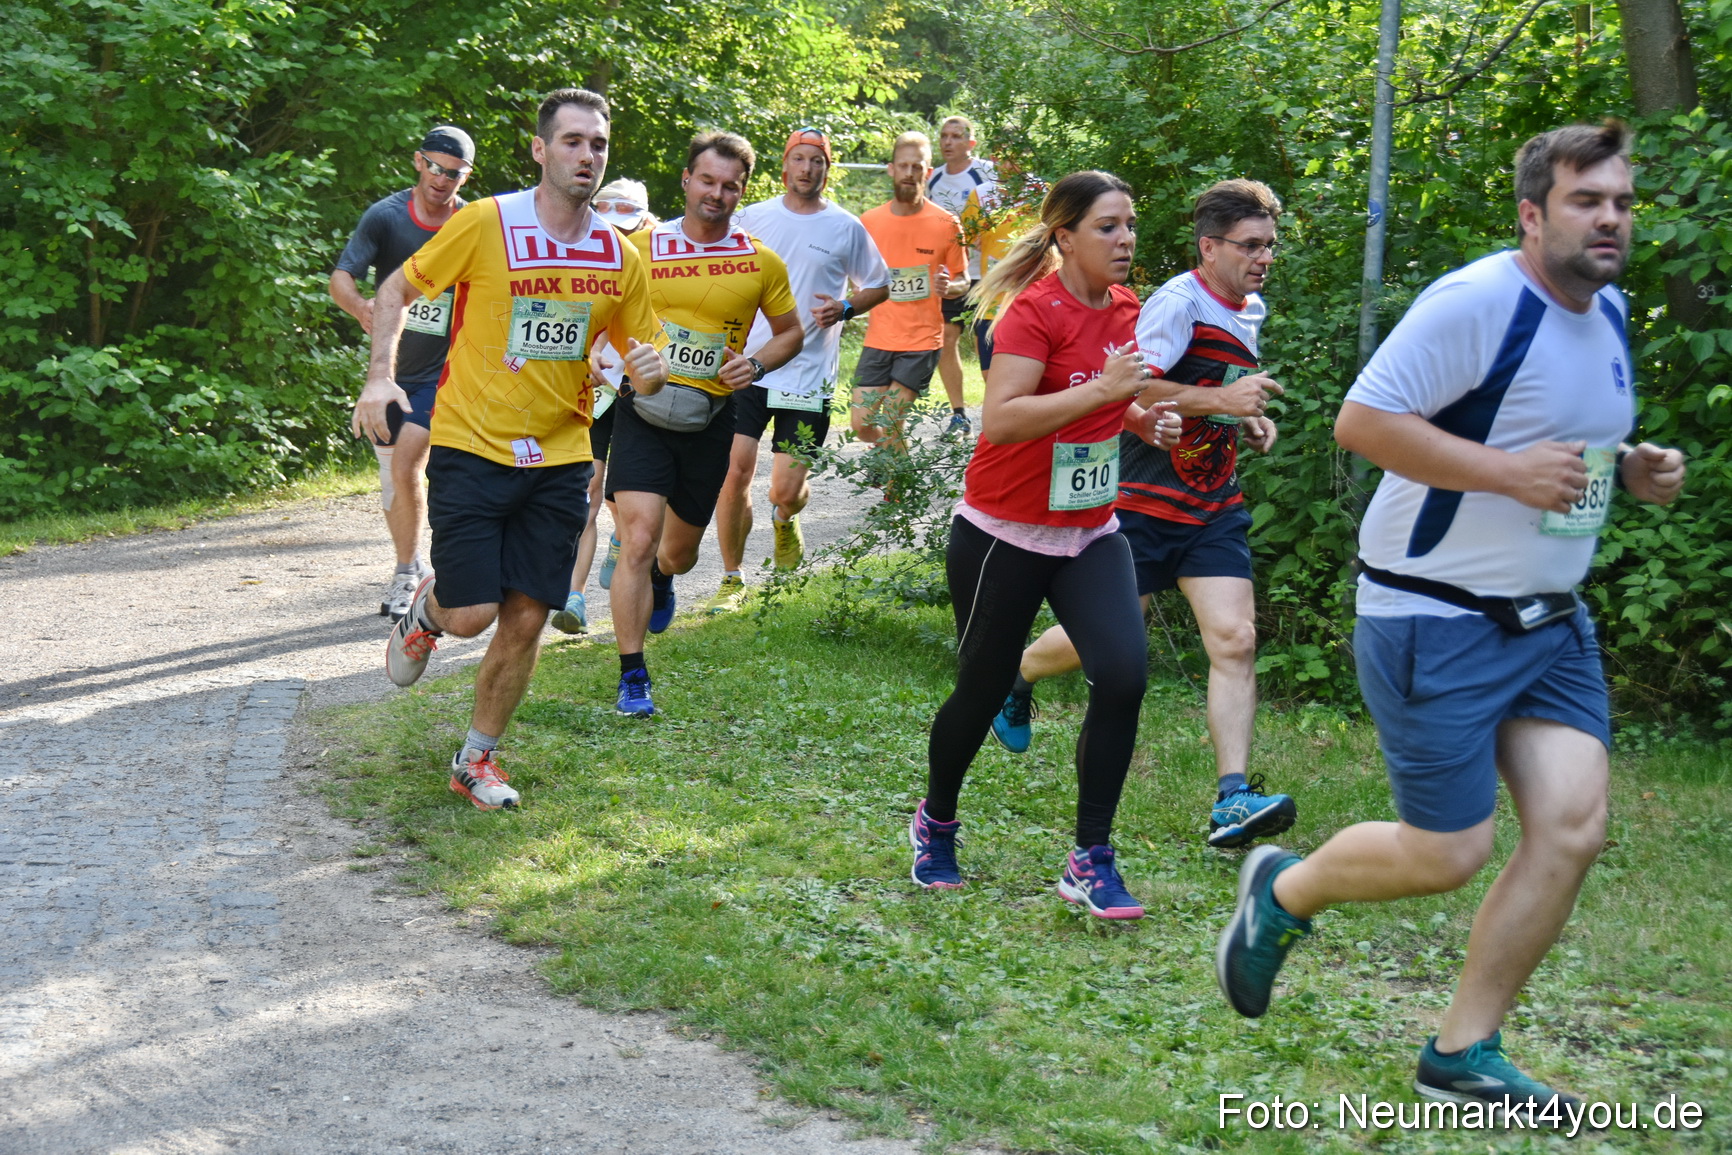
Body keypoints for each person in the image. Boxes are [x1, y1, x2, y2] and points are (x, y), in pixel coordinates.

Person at [1216, 121, 1686, 1113]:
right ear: (1530, 213)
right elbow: (1363, 422)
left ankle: (1460, 1052)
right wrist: (1510, 474)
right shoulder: (1476, 302)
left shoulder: (1607, 313)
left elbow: (1555, 428)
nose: (1608, 218)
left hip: (1549, 620)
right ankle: (1283, 892)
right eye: (1584, 200)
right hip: (1434, 616)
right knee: (1448, 852)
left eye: (1620, 202)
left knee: (1571, 828)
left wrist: (1633, 466)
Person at [362, 88, 668, 810]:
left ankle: (476, 759)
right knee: (473, 612)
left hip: (561, 456)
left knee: (529, 612)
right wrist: (379, 378)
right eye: (571, 141)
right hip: (472, 442)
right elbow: (396, 290)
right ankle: (428, 616)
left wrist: (647, 375)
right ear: (540, 149)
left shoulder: (618, 256)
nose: (586, 155)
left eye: (597, 143)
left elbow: (638, 360)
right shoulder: (486, 221)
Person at [989, 180, 1297, 850]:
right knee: (1090, 641)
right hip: (1143, 503)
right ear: (1208, 246)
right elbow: (1139, 385)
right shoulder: (1176, 304)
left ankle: (1231, 797)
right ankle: (1016, 671)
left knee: (1236, 638)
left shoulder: (1250, 307)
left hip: (1213, 503)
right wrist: (1219, 399)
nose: (1263, 257)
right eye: (1249, 245)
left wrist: (1244, 419)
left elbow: (1210, 395)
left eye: (1269, 245)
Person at [909, 170, 1181, 920]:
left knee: (1124, 674)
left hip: (1090, 529)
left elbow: (1108, 396)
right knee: (984, 685)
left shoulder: (1123, 307)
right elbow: (1003, 420)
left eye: (1130, 225)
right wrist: (1104, 396)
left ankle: (1090, 857)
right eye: (1107, 227)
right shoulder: (1034, 313)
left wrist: (1139, 421)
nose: (1125, 240)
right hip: (1004, 532)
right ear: (1065, 237)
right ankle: (935, 820)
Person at [607, 131, 803, 715]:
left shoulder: (759, 260)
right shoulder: (641, 246)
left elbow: (790, 330)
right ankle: (632, 674)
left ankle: (666, 579)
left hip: (714, 417)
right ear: (687, 181)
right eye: (708, 181)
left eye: (730, 186)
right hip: (640, 409)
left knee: (677, 555)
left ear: (742, 191)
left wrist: (757, 361)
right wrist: (606, 357)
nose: (717, 194)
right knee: (637, 539)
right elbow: (602, 308)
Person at [712, 127, 890, 589]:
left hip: (808, 376)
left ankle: (785, 519)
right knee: (734, 472)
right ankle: (732, 579)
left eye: (818, 161)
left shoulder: (845, 226)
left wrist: (846, 307)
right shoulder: (751, 217)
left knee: (783, 491)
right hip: (749, 366)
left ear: (828, 170)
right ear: (785, 165)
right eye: (800, 159)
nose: (807, 169)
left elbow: (878, 283)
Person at [331, 126, 474, 620]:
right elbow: (342, 276)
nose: (442, 179)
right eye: (434, 167)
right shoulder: (387, 217)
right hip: (394, 369)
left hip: (454, 369)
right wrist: (361, 308)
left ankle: (426, 572)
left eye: (453, 173)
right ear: (419, 162)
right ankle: (407, 570)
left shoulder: (473, 223)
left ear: (466, 176)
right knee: (394, 477)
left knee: (410, 458)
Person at [550, 178, 658, 634]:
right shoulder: (578, 247)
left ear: (644, 222)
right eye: (610, 225)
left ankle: (622, 540)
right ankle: (573, 597)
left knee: (626, 503)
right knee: (587, 495)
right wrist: (584, 353)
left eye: (626, 227)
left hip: (639, 392)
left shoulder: (658, 255)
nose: (618, 236)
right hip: (595, 391)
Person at [855, 133, 968, 480]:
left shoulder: (947, 224)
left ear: (928, 171)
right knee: (861, 425)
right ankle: (896, 464)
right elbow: (857, 276)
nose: (909, 172)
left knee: (890, 418)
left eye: (916, 166)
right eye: (902, 165)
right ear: (891, 169)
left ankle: (897, 490)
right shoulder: (868, 221)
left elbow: (964, 282)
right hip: (879, 337)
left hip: (922, 340)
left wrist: (950, 287)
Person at [925, 115, 999, 439]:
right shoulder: (933, 179)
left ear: (971, 143)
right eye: (944, 136)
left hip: (988, 275)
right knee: (946, 336)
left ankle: (999, 413)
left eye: (956, 136)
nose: (948, 142)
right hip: (953, 273)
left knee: (990, 343)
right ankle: (959, 416)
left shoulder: (986, 174)